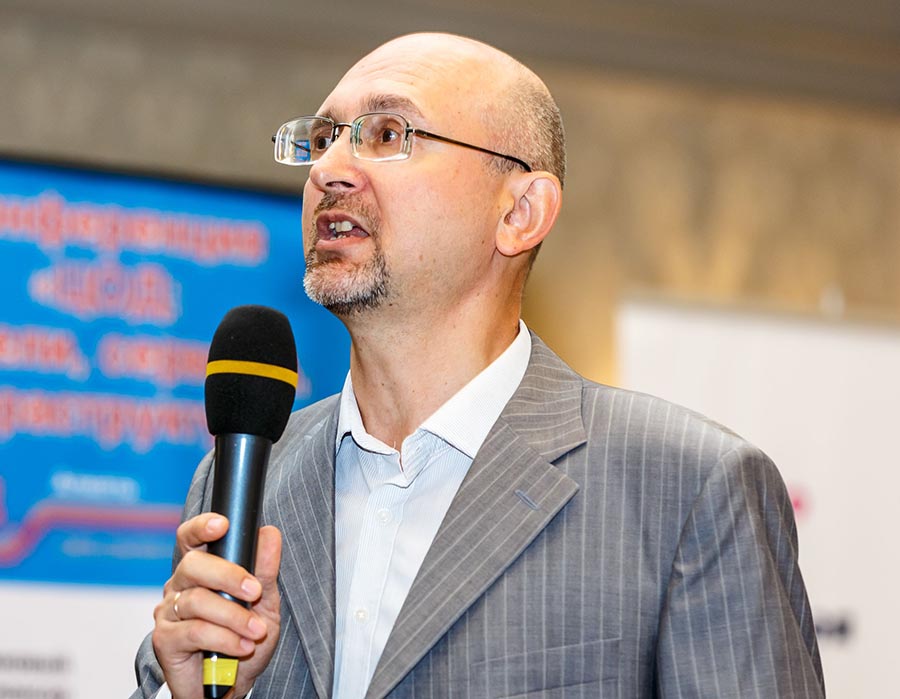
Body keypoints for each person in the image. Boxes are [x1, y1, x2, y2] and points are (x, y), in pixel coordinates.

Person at [132, 32, 825, 699]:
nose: (328, 169)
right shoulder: (240, 482)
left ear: (520, 212)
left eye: (387, 134)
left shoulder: (688, 489)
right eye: (323, 138)